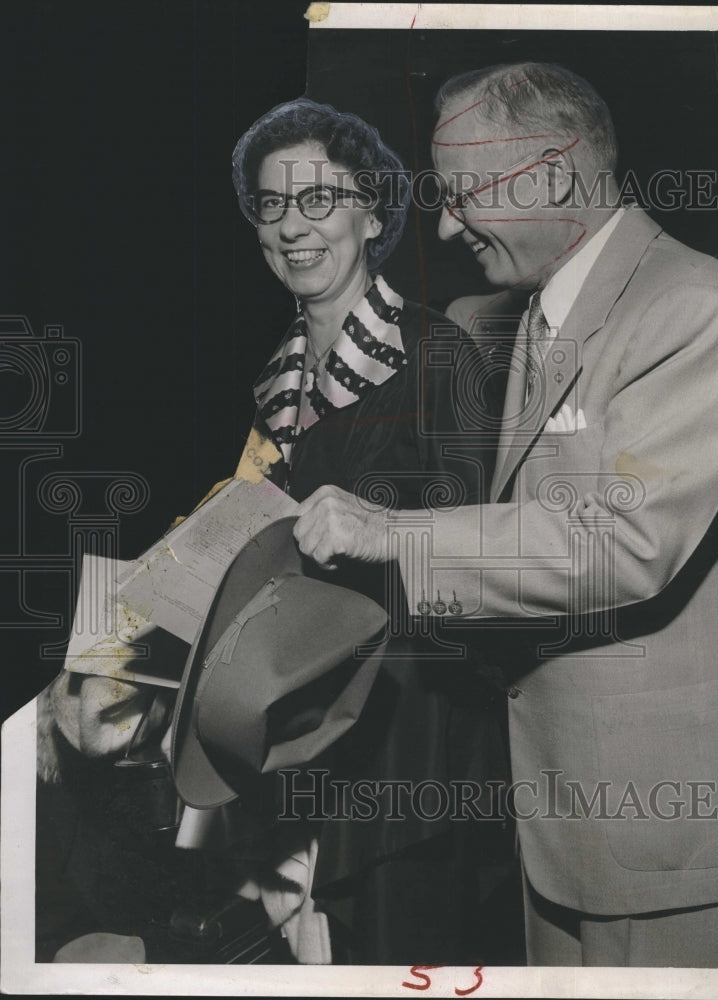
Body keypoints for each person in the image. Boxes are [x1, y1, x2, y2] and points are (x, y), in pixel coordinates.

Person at [293, 64, 718, 968]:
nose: (448, 225)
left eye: (461, 196)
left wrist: (392, 534)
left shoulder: (690, 308)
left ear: (553, 177)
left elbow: (618, 541)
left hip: (657, 845)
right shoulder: (528, 314)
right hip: (557, 823)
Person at [223, 97, 517, 965]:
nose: (292, 226)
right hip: (302, 740)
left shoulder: (436, 353)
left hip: (413, 757)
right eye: (272, 205)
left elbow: (479, 553)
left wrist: (375, 532)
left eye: (319, 199)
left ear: (375, 214)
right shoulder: (271, 385)